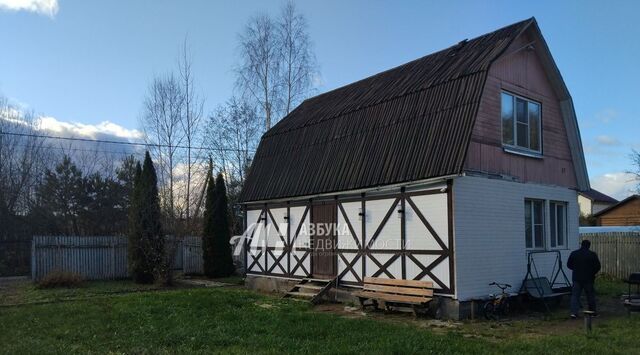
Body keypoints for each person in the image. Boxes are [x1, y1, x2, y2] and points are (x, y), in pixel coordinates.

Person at [567, 239, 601, 319]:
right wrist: (592, 273)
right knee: (590, 295)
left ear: (581, 245)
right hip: (588, 279)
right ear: (589, 246)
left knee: (575, 296)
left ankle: (573, 313)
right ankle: (592, 312)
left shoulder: (574, 254)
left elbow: (569, 265)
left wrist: (575, 269)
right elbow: (597, 266)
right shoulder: (592, 254)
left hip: (576, 278)